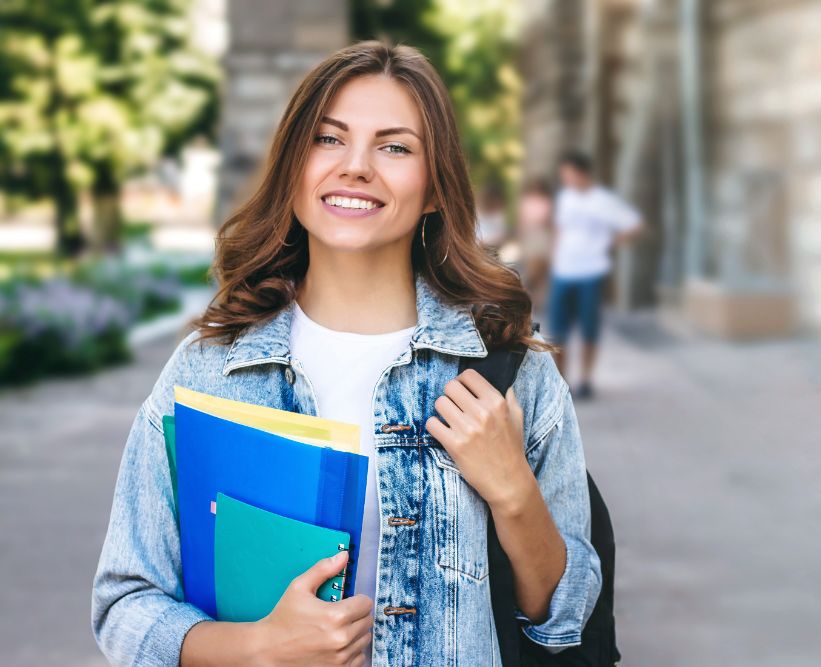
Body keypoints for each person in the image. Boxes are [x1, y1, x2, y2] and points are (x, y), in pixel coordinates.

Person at [90, 41, 601, 667]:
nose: (356, 167)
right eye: (328, 139)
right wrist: (258, 647)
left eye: (395, 147)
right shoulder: (210, 370)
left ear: (436, 188)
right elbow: (125, 605)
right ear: (294, 168)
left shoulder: (512, 376)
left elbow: (567, 617)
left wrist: (515, 495)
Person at [549, 150, 644, 400]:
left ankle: (586, 379)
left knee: (589, 329)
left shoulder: (603, 200)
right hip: (563, 271)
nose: (565, 178)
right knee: (557, 330)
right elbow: (560, 229)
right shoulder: (565, 198)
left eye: (568, 173)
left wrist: (610, 244)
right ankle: (561, 381)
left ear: (581, 172)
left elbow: (635, 224)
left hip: (591, 271)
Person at [516, 177, 554, 312]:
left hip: (543, 236)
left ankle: (537, 299)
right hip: (531, 236)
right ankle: (523, 292)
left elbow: (551, 222)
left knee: (542, 270)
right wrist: (521, 239)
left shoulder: (548, 202)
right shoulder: (526, 202)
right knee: (533, 268)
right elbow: (521, 222)